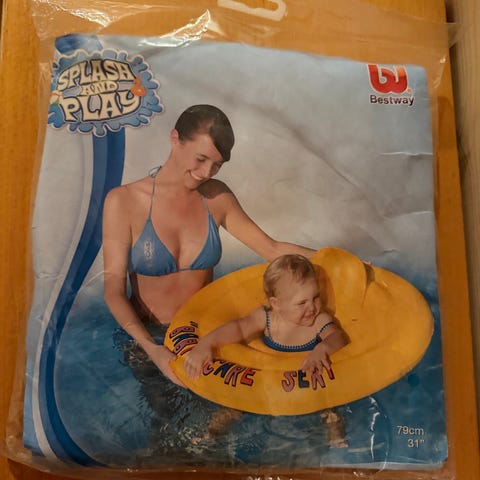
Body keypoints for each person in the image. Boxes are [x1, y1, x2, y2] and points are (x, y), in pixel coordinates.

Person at [102, 104, 316, 386]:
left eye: (217, 165)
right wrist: (153, 350)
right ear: (175, 139)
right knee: (168, 411)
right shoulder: (124, 201)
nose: (206, 172)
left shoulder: (217, 198)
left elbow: (272, 249)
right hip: (150, 335)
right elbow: (113, 290)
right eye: (201, 159)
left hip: (206, 333)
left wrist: (338, 260)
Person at [183, 254, 350, 447]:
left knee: (328, 405)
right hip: (265, 381)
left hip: (307, 383)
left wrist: (323, 348)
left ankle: (335, 436)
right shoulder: (267, 318)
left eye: (316, 297)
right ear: (276, 304)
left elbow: (337, 336)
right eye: (301, 303)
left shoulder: (319, 321)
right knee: (233, 404)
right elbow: (238, 328)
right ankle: (211, 434)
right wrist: (206, 344)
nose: (312, 307)